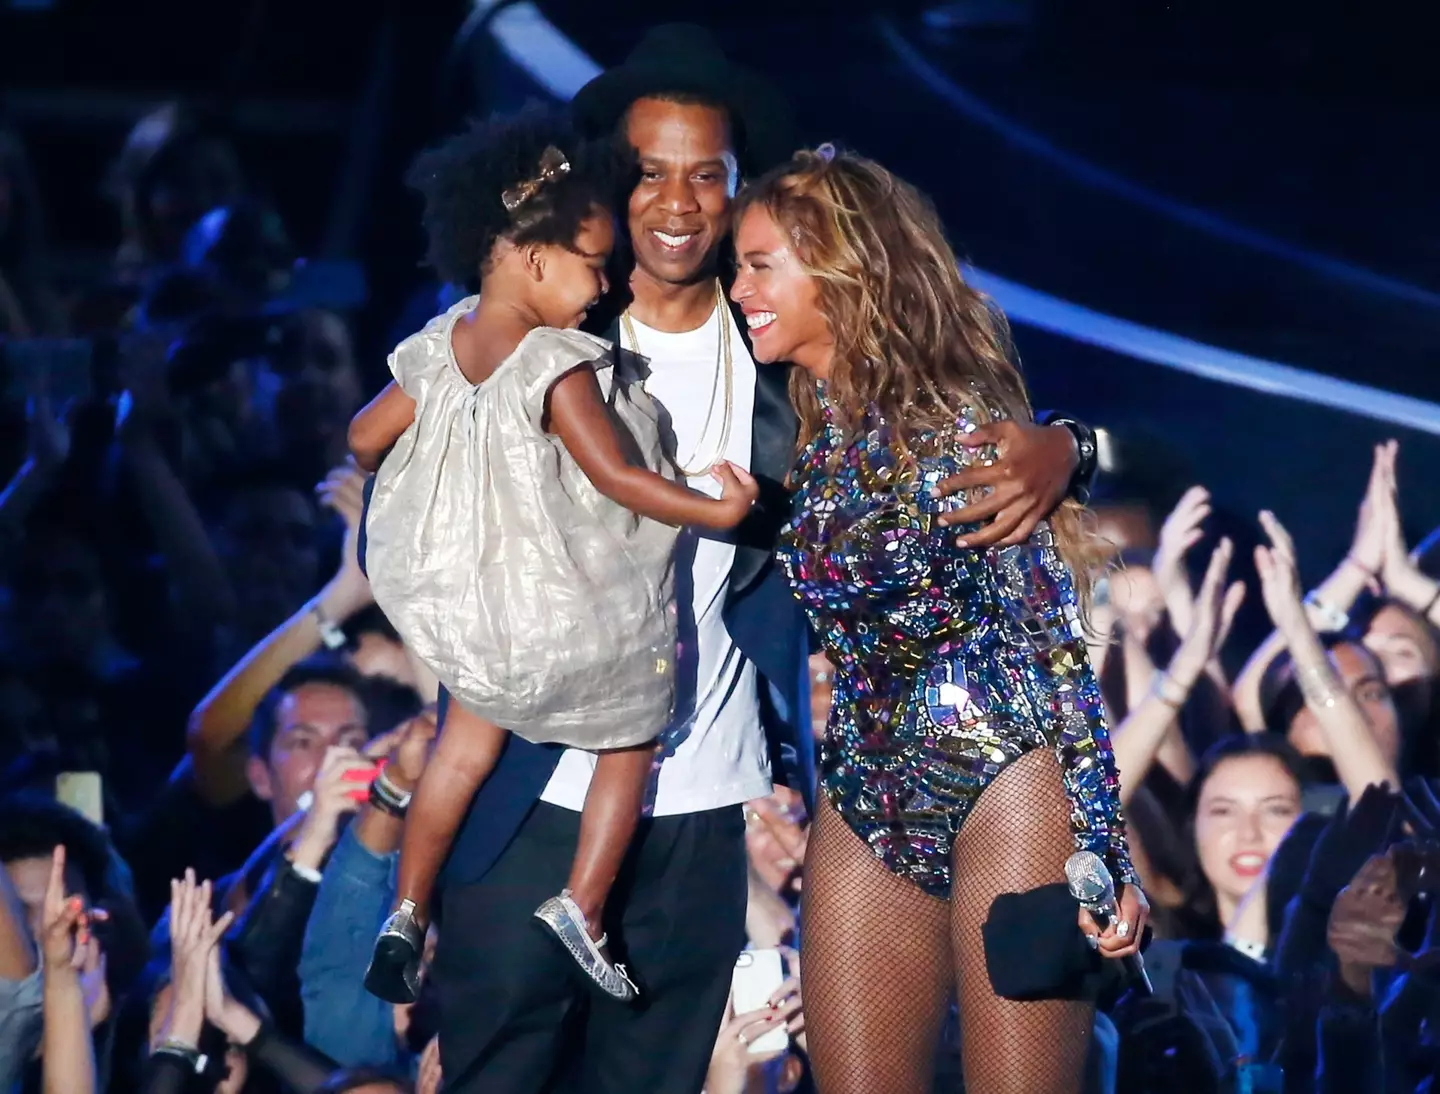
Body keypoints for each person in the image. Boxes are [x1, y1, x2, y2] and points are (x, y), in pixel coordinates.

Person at [421, 25, 1098, 1094]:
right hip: (531, 790)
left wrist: (1072, 444)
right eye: (648, 172)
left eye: (708, 175)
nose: (678, 203)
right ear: (608, 182)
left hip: (717, 812)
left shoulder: (791, 359)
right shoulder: (530, 335)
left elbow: (954, 430)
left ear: (739, 192)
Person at [729, 145, 1146, 1094]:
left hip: (1005, 781)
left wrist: (1102, 846)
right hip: (866, 791)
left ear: (841, 268)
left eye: (761, 265)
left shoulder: (955, 421)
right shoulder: (821, 421)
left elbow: (1052, 641)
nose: (739, 284)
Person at [352, 106, 758, 1005]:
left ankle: (407, 910)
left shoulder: (438, 346)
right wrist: (714, 506)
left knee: (459, 753)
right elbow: (615, 476)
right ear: (535, 261)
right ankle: (582, 901)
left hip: (482, 612)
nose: (605, 283)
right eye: (593, 264)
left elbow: (361, 436)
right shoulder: (558, 362)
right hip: (571, 607)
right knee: (635, 735)